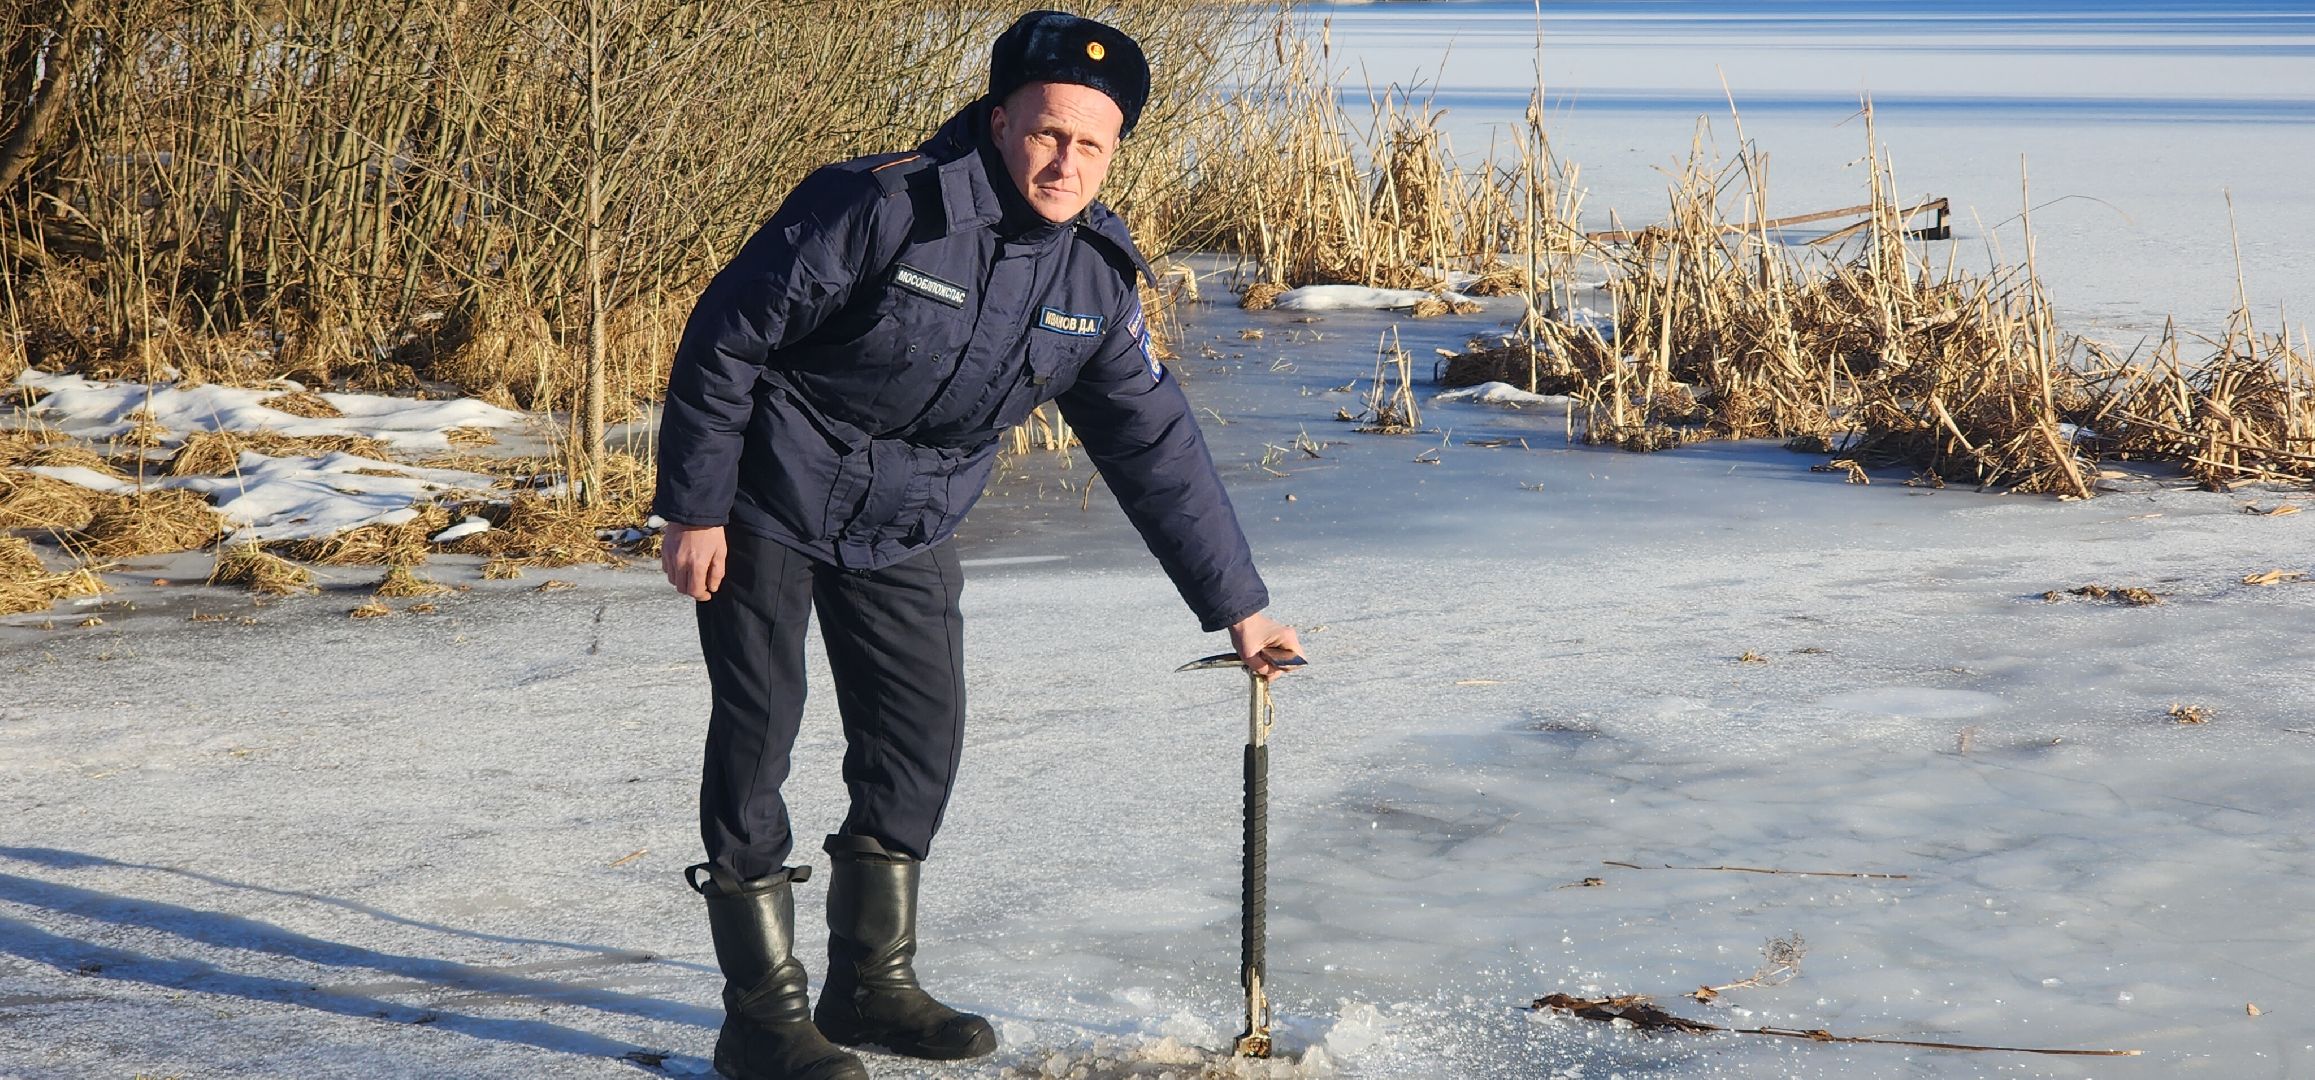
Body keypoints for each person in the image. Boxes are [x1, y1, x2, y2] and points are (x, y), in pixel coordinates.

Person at [654, 11, 1302, 1079]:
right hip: (772, 494)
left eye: (1090, 144)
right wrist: (694, 508)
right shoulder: (880, 206)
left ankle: (869, 985)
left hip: (910, 515)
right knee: (760, 731)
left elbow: (1155, 445)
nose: (1064, 163)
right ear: (1000, 121)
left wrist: (1238, 605)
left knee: (918, 741)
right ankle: (759, 1018)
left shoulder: (1092, 276)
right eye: (1047, 133)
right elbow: (728, 336)